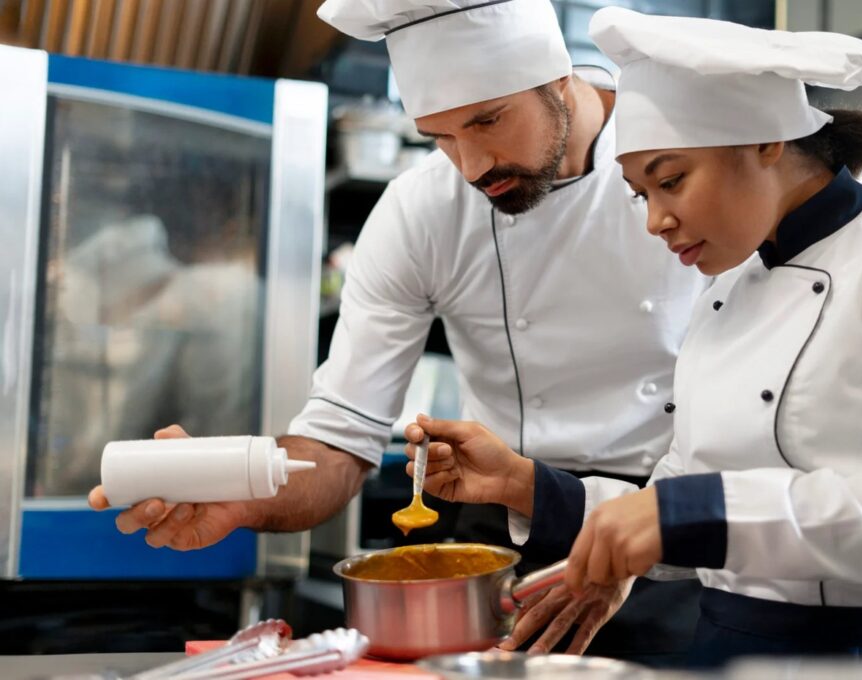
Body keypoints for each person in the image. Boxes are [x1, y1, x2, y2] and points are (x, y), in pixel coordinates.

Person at [87, 0, 707, 665]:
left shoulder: (682, 166)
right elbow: (340, 436)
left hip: (677, 529)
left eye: (487, 121)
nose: (472, 167)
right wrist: (246, 494)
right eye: (440, 137)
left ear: (561, 80)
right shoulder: (423, 212)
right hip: (505, 545)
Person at [399, 7, 862, 669]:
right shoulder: (727, 290)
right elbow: (680, 495)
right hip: (721, 651)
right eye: (640, 194)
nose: (656, 222)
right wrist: (522, 483)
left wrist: (682, 511)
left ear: (767, 140)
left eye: (671, 181)